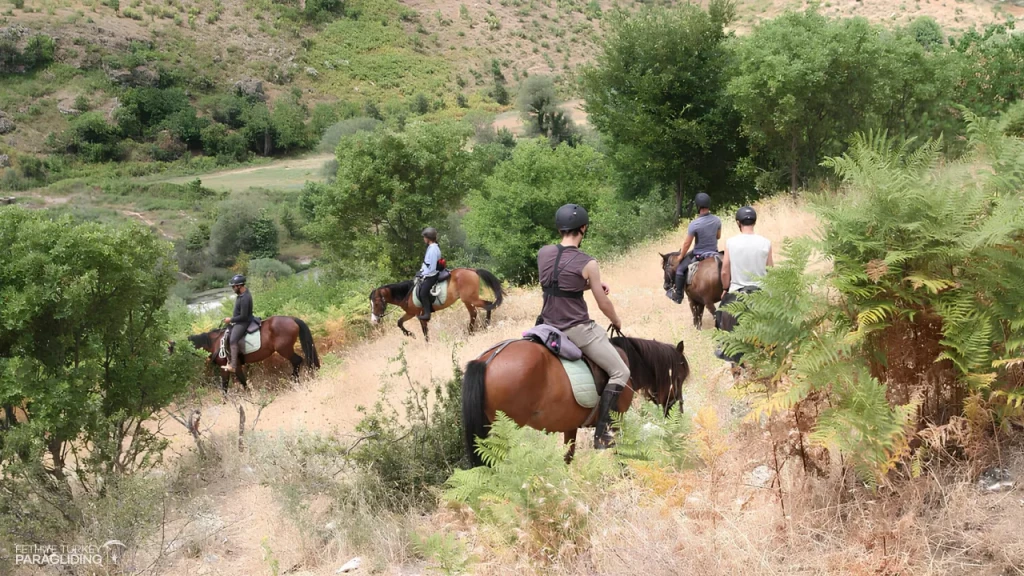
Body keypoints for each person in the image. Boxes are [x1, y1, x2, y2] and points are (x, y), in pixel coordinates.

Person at [538, 204, 630, 449]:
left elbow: (558, 282)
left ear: (560, 228)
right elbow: (602, 303)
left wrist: (591, 284)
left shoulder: (544, 253)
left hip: (546, 327)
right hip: (576, 329)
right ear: (583, 228)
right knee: (621, 372)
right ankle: (603, 434)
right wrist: (616, 320)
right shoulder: (588, 262)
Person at [716, 206, 773, 362]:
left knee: (720, 316)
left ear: (738, 223)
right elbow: (771, 271)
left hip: (737, 292)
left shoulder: (731, 243)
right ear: (754, 222)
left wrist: (725, 289)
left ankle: (724, 347)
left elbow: (725, 271)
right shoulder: (766, 243)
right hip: (761, 294)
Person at [669, 192, 722, 304]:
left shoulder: (694, 224)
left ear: (698, 206)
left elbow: (687, 243)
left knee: (679, 270)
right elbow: (718, 236)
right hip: (714, 252)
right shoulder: (717, 220)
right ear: (708, 205)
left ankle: (678, 295)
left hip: (699, 254)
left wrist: (680, 257)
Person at [222, 274, 253, 373]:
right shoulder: (242, 295)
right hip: (240, 320)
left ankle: (233, 366)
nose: (232, 288)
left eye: (233, 286)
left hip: (243, 322)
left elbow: (243, 316)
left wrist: (230, 320)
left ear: (239, 286)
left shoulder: (244, 298)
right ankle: (230, 360)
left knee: (233, 340)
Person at [416, 227, 443, 321]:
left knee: (423, 292)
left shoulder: (432, 250)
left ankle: (427, 314)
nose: (423, 239)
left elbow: (431, 268)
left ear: (428, 238)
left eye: (424, 237)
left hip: (432, 275)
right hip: (428, 273)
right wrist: (421, 271)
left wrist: (423, 274)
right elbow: (427, 263)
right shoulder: (432, 247)